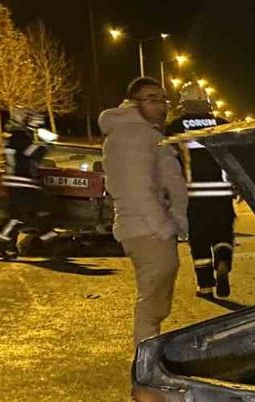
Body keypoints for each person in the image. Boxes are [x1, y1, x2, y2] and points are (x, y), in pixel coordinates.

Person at [99, 77, 188, 345]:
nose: (161, 106)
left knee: (155, 302)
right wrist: (163, 227)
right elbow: (137, 188)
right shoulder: (133, 134)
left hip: (146, 228)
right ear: (134, 102)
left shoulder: (143, 132)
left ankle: (147, 364)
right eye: (152, 99)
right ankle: (145, 370)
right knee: (152, 305)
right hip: (147, 229)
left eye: (163, 99)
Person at [165, 83, 236, 299]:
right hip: (222, 192)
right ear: (207, 101)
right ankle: (222, 261)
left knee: (199, 239)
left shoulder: (175, 126)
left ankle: (205, 287)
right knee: (223, 233)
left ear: (184, 103)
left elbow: (167, 162)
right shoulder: (222, 124)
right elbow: (235, 157)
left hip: (193, 195)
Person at [0, 108, 60, 260]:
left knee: (38, 213)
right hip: (22, 182)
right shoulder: (20, 136)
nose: (36, 124)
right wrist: (46, 143)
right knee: (17, 217)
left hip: (20, 182)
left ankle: (49, 245)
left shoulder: (13, 135)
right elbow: (33, 154)